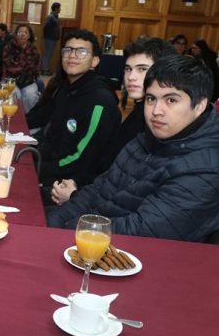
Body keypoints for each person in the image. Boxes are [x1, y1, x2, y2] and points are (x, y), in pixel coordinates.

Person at [47, 55, 219, 242]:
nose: (156, 111)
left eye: (171, 100)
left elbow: (142, 230)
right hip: (92, 235)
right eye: (151, 99)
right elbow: (97, 191)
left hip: (132, 251)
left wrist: (66, 231)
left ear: (200, 105)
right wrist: (53, 222)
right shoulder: (144, 140)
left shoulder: (206, 167)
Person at [51, 37, 177, 205]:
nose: (131, 77)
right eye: (128, 69)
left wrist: (75, 194)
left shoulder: (158, 123)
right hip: (91, 189)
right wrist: (77, 183)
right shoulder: (138, 113)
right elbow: (109, 166)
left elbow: (132, 192)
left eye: (142, 69)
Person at [26, 29, 120, 202]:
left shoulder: (100, 101)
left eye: (81, 51)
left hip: (71, 183)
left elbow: (82, 159)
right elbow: (47, 128)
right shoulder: (66, 89)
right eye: (68, 50)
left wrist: (36, 168)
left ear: (94, 61)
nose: (72, 55)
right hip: (48, 162)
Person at [2, 24, 42, 111]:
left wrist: (19, 67)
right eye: (20, 32)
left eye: (25, 33)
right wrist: (25, 67)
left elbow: (37, 68)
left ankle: (27, 117)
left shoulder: (34, 49)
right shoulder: (9, 47)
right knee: (15, 95)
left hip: (28, 81)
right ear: (16, 35)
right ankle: (13, 117)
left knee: (30, 95)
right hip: (10, 80)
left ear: (29, 36)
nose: (22, 35)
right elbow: (9, 66)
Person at [42, 2, 61, 75]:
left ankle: (45, 69)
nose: (60, 9)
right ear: (56, 8)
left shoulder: (55, 17)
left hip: (52, 38)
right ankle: (45, 70)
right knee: (47, 54)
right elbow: (45, 27)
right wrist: (48, 36)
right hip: (50, 39)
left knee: (49, 54)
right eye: (59, 8)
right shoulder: (51, 17)